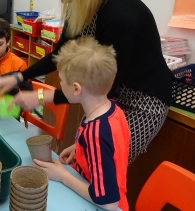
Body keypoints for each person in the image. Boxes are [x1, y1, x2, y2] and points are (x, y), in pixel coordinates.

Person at [0, 0, 173, 164]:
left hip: (141, 103)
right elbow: (59, 55)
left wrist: (37, 98)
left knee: (101, 167)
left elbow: (102, 90)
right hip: (103, 95)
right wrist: (19, 77)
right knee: (81, 161)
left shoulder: (120, 14)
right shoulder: (79, 6)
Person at [34, 37, 130, 211]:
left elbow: (108, 201)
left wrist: (63, 176)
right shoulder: (113, 110)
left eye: (62, 81)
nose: (61, 84)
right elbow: (112, 149)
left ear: (76, 89)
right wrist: (80, 147)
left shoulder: (96, 133)